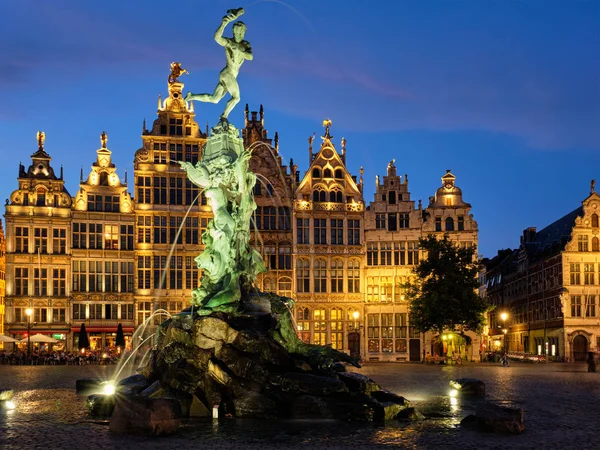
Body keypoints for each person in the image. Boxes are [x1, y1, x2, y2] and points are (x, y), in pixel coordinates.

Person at [185, 8, 253, 121]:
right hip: (227, 74)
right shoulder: (229, 42)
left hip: (229, 75)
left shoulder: (245, 44)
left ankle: (191, 96)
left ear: (244, 33)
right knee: (236, 98)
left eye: (240, 33)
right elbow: (217, 38)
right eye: (236, 33)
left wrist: (239, 51)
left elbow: (250, 56)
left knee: (214, 99)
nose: (238, 35)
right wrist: (224, 24)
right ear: (233, 32)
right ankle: (224, 116)